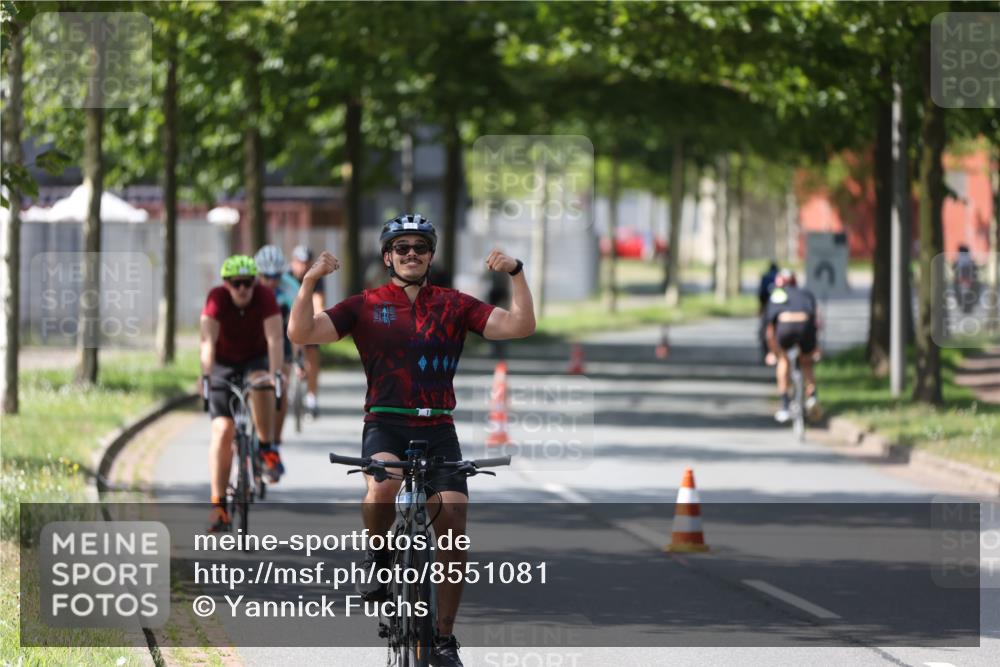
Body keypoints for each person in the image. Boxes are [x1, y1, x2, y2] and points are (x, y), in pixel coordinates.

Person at [288, 213, 535, 667]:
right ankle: (379, 557)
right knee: (382, 485)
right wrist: (308, 284)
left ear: (431, 256)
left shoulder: (455, 304)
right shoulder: (366, 304)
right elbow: (301, 333)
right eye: (402, 248)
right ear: (388, 256)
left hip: (438, 426)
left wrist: (516, 273)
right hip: (386, 422)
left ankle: (443, 638)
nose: (411, 255)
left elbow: (520, 326)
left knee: (454, 521)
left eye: (420, 247)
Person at [200, 255, 284, 532]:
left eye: (248, 282)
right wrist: (205, 375)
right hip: (224, 364)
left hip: (255, 359)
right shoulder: (216, 299)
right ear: (226, 284)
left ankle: (266, 449)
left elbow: (274, 339)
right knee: (222, 430)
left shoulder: (265, 297)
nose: (243, 289)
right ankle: (219, 506)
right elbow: (207, 342)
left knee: (262, 383)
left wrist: (277, 374)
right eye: (236, 284)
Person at [255, 244, 302, 478]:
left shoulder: (290, 287)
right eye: (265, 276)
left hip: (281, 338)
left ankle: (273, 442)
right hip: (254, 339)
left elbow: (297, 327)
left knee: (281, 384)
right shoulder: (249, 285)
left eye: (275, 276)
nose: (271, 281)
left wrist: (299, 357)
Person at [764, 269, 819, 423]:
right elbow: (816, 322)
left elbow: (770, 330)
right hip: (805, 327)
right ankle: (812, 396)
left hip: (785, 328)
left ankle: (785, 405)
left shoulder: (776, 296)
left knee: (783, 360)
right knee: (807, 363)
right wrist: (816, 348)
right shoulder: (806, 294)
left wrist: (772, 352)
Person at [290, 245, 325, 418]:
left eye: (306, 263)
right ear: (293, 262)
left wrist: (318, 318)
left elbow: (318, 300)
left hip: (308, 319)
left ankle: (312, 399)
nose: (303, 267)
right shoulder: (286, 277)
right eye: (299, 263)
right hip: (288, 320)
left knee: (313, 357)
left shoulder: (315, 278)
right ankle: (296, 363)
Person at [757, 261, 780, 362]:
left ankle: (766, 353)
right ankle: (778, 353)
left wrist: (761, 307)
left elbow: (761, 294)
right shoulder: (780, 277)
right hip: (780, 307)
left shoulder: (765, 277)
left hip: (767, 306)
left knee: (764, 330)